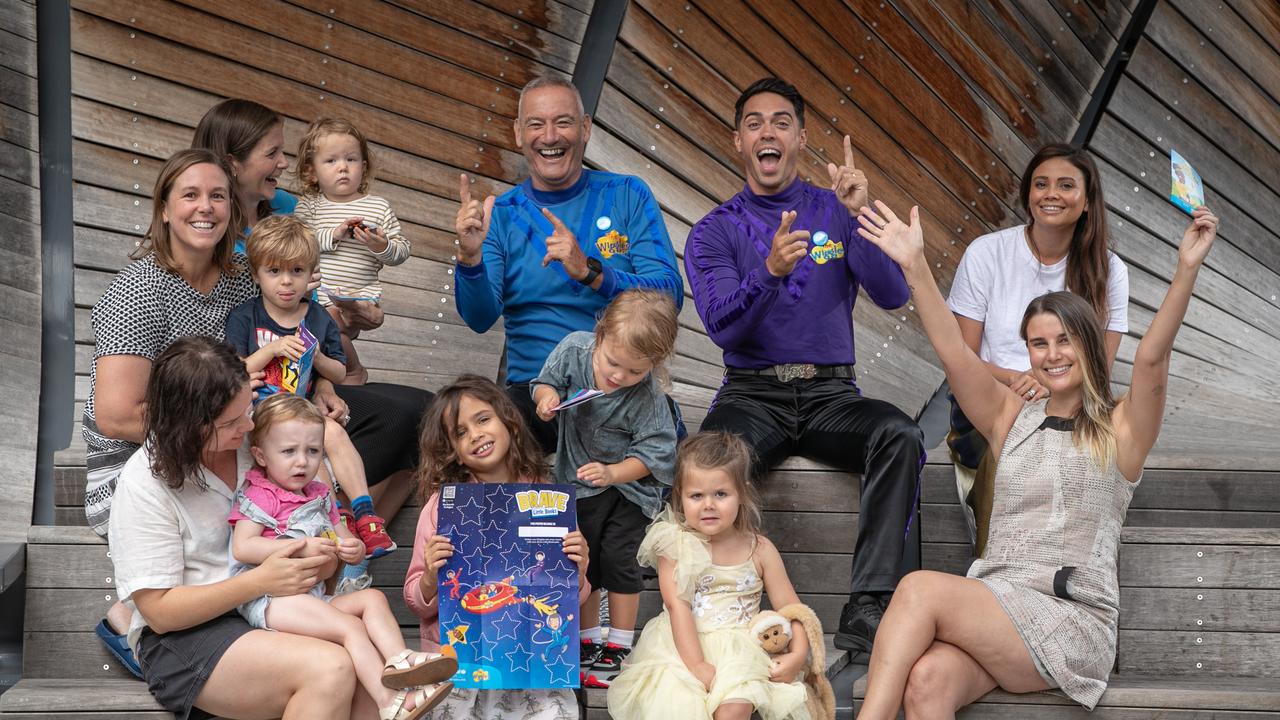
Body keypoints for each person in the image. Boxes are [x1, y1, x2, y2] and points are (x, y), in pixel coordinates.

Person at [851, 199, 1217, 715]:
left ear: (1089, 343)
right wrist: (915, 267)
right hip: (999, 605)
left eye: (1065, 340)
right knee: (929, 679)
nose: (1052, 355)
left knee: (917, 589)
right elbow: (956, 353)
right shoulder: (1010, 416)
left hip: (1070, 620)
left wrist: (1185, 270)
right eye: (1038, 343)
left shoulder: (1122, 428)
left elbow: (1153, 358)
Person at [683, 77, 924, 656]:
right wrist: (766, 271)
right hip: (751, 394)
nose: (768, 132)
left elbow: (893, 293)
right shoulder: (715, 230)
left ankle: (870, 607)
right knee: (707, 466)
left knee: (899, 434)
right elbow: (722, 326)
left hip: (832, 395)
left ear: (801, 137)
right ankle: (721, 609)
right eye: (755, 123)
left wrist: (860, 215)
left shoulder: (837, 209)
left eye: (782, 122)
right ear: (737, 140)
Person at [194, 98, 431, 589]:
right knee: (380, 425)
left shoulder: (291, 209)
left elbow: (314, 311)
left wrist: (336, 353)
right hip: (258, 398)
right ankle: (335, 540)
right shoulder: (220, 237)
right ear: (233, 163)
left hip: (310, 374)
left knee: (425, 414)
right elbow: (235, 351)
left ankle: (358, 541)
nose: (284, 165)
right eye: (272, 154)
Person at [108, 336, 363, 719]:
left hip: (274, 606)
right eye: (231, 422)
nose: (248, 424)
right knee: (330, 667)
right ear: (189, 426)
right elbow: (160, 612)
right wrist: (261, 581)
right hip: (187, 634)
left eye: (248, 408)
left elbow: (323, 518)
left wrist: (326, 556)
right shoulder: (144, 482)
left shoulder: (262, 440)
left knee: (374, 685)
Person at [84, 148, 260, 675]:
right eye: (189, 195)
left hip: (226, 444)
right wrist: (209, 431)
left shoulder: (242, 283)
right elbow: (117, 416)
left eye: (218, 196)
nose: (205, 207)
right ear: (163, 208)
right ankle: (131, 615)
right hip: (135, 462)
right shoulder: (138, 289)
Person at [453, 76, 684, 452]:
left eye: (563, 122)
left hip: (622, 390)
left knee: (681, 464)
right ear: (517, 133)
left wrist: (593, 273)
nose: (549, 136)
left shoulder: (627, 194)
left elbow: (670, 295)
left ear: (585, 128)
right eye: (535, 124)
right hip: (536, 395)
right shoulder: (502, 214)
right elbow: (479, 319)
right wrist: (470, 258)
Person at [946, 144, 1128, 553]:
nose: (1051, 194)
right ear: (1027, 193)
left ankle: (1082, 564)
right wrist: (1016, 380)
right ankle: (994, 563)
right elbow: (963, 357)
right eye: (1041, 184)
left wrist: (1055, 389)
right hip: (993, 396)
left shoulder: (1108, 269)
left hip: (1070, 399)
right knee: (1011, 441)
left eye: (1066, 185)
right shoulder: (987, 253)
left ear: (1087, 201)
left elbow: (1100, 367)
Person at [228, 394, 455, 719]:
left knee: (373, 598)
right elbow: (243, 547)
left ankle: (400, 659)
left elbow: (345, 540)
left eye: (313, 451)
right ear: (261, 456)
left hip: (312, 596)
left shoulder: (320, 495)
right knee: (350, 628)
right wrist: (295, 548)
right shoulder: (261, 495)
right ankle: (390, 701)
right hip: (270, 600)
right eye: (288, 451)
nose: (302, 462)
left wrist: (353, 549)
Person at [403, 375, 591, 718]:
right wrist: (431, 576)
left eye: (483, 419)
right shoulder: (441, 508)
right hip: (461, 667)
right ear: (454, 453)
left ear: (510, 424)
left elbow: (569, 600)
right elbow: (416, 599)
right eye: (460, 433)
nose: (475, 435)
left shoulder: (547, 499)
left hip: (534, 666)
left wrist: (578, 570)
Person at [531, 289, 679, 687]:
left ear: (653, 366)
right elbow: (544, 381)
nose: (619, 377)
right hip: (578, 483)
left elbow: (657, 454)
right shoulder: (574, 351)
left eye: (634, 372)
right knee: (584, 560)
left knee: (618, 560)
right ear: (598, 337)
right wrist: (546, 399)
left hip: (630, 489)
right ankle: (586, 639)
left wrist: (614, 473)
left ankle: (620, 643)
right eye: (613, 363)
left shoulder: (648, 396)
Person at [225, 214, 396, 558]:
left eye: (297, 272)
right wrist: (271, 350)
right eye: (274, 272)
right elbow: (233, 372)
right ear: (257, 274)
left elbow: (337, 370)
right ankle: (337, 525)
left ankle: (365, 515)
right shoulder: (247, 316)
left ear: (311, 274)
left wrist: (317, 358)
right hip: (263, 412)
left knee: (332, 433)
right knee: (305, 441)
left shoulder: (316, 318)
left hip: (302, 407)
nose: (286, 283)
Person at [607, 432, 811, 720]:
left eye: (721, 494)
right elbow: (679, 607)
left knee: (734, 709)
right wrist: (698, 665)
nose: (708, 505)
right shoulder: (674, 545)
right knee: (677, 707)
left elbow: (791, 607)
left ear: (742, 493)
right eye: (696, 496)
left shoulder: (760, 549)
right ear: (680, 497)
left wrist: (797, 654)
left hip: (741, 650)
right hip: (681, 647)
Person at [294, 116, 411, 385]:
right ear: (312, 172)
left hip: (361, 296)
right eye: (331, 161)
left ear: (364, 167)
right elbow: (298, 242)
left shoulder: (378, 207)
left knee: (330, 325)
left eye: (351, 159)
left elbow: (402, 250)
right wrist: (333, 234)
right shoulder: (309, 206)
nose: (343, 168)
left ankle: (345, 371)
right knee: (327, 324)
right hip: (321, 294)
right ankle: (352, 369)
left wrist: (381, 245)